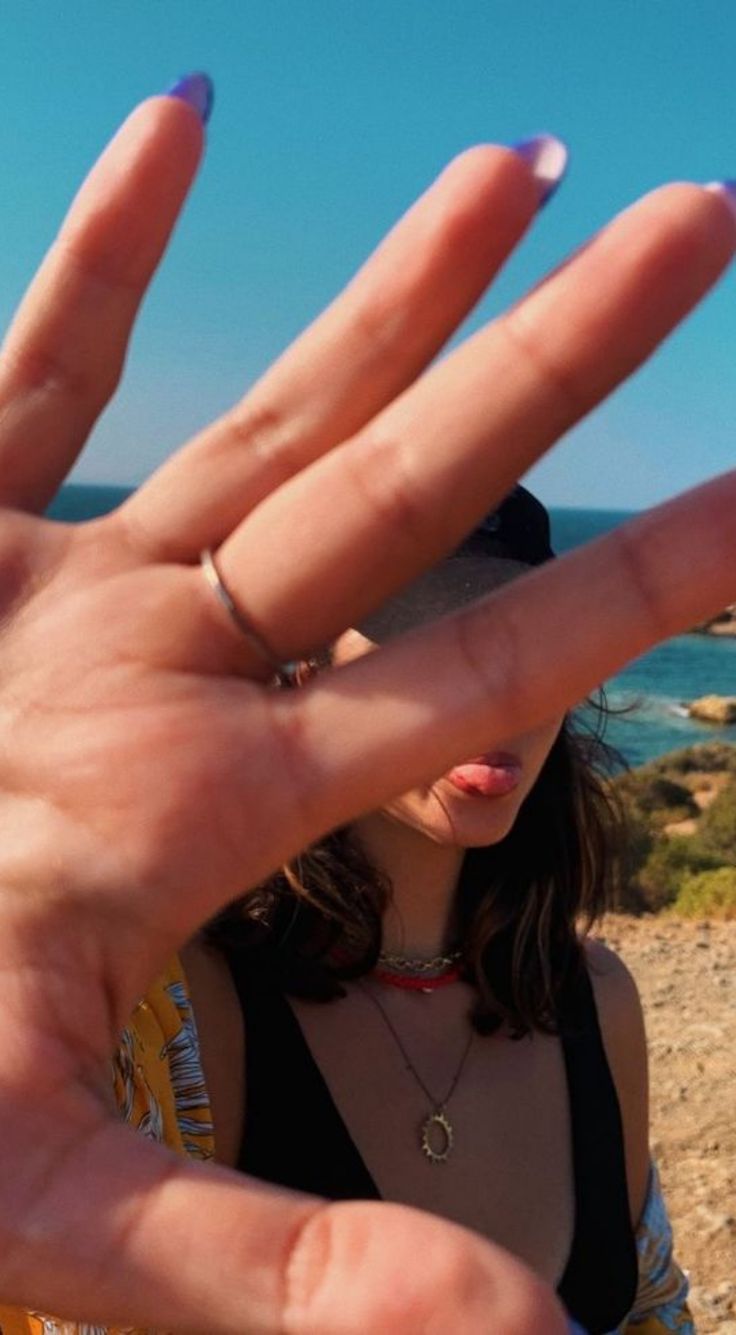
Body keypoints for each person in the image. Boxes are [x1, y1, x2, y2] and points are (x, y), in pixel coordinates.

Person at [0, 70, 735, 1334]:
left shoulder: (593, 1002)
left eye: (507, 647)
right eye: (408, 640)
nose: (477, 704)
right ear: (297, 670)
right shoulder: (170, 1010)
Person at [189, 483, 692, 1335]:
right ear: (302, 668)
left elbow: (650, 1315)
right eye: (431, 644)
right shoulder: (194, 1013)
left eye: (537, 647)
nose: (504, 696)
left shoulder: (594, 1002)